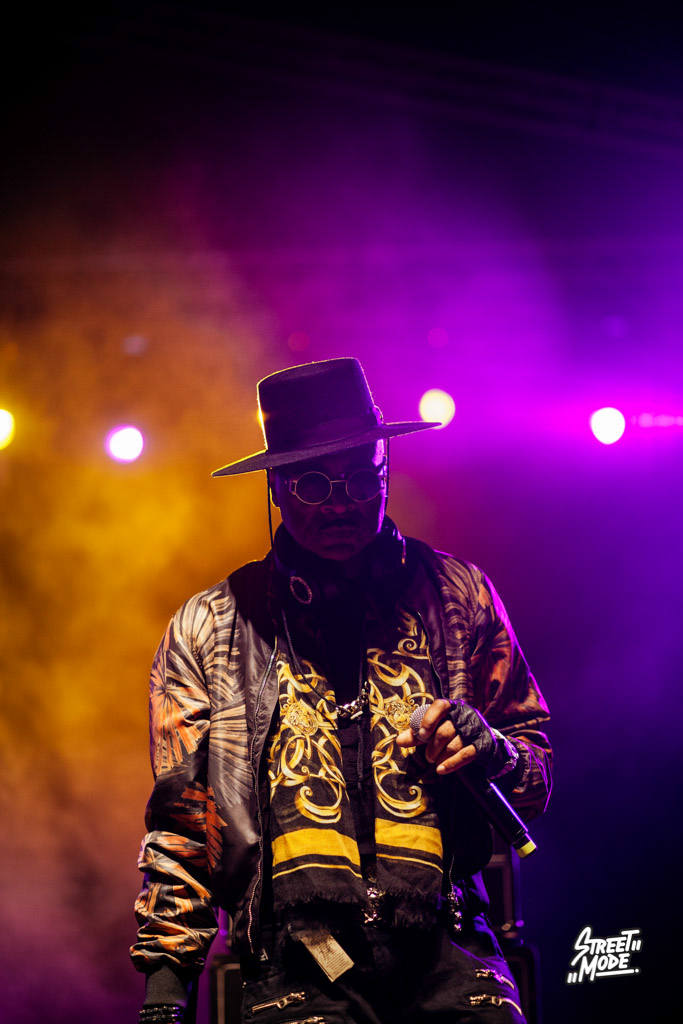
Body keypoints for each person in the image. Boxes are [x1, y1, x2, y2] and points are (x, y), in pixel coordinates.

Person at [131, 357, 552, 1024]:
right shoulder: (209, 626)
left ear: (386, 470)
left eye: (360, 478)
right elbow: (183, 824)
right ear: (275, 486)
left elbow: (535, 781)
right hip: (296, 962)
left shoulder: (459, 594)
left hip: (448, 943)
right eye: (312, 483)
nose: (339, 503)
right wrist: (164, 989)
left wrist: (491, 750)